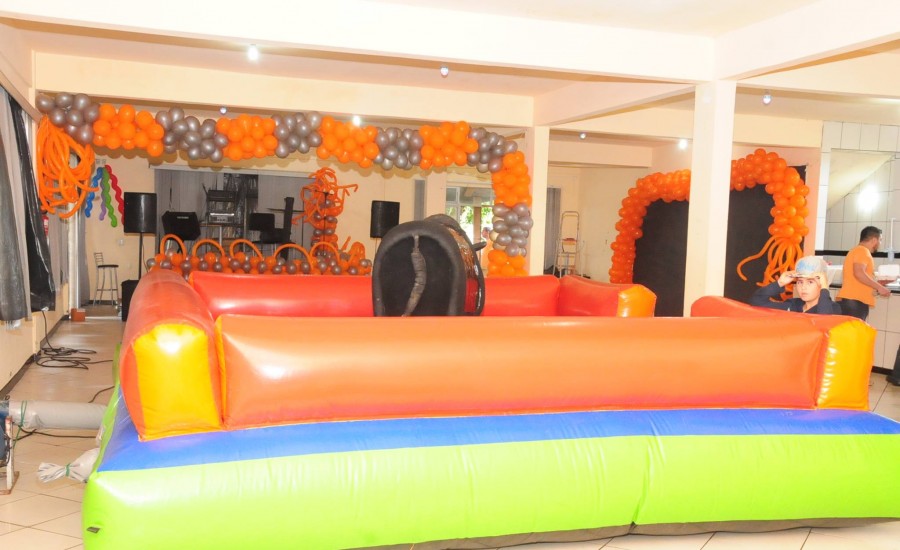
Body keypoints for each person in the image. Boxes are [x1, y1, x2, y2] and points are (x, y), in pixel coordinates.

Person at [749, 255, 840, 314]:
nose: (803, 287)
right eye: (800, 282)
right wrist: (780, 283)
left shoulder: (832, 308)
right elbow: (757, 302)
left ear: (822, 283)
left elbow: (824, 322)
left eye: (810, 282)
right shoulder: (793, 305)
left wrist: (824, 288)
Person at [837, 226, 890, 321]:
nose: (880, 243)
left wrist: (877, 284)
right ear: (874, 240)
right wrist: (879, 287)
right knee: (855, 330)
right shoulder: (862, 251)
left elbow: (860, 276)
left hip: (851, 300)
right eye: (880, 240)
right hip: (855, 301)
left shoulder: (856, 250)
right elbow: (859, 273)